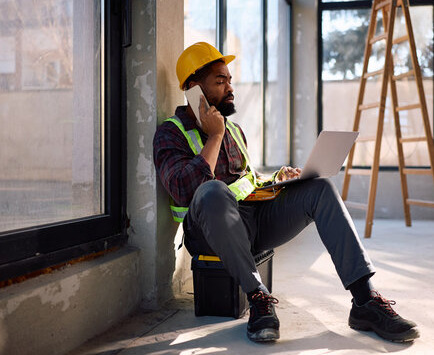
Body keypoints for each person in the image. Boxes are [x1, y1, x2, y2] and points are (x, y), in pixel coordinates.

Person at [153, 42, 419, 343]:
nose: (231, 87)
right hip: (209, 234)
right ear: (194, 89)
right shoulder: (170, 133)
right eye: (220, 80)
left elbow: (247, 181)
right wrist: (214, 135)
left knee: (318, 188)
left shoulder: (235, 131)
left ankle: (365, 301)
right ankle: (259, 300)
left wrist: (278, 180)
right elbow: (186, 190)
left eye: (230, 79)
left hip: (253, 223)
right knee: (212, 190)